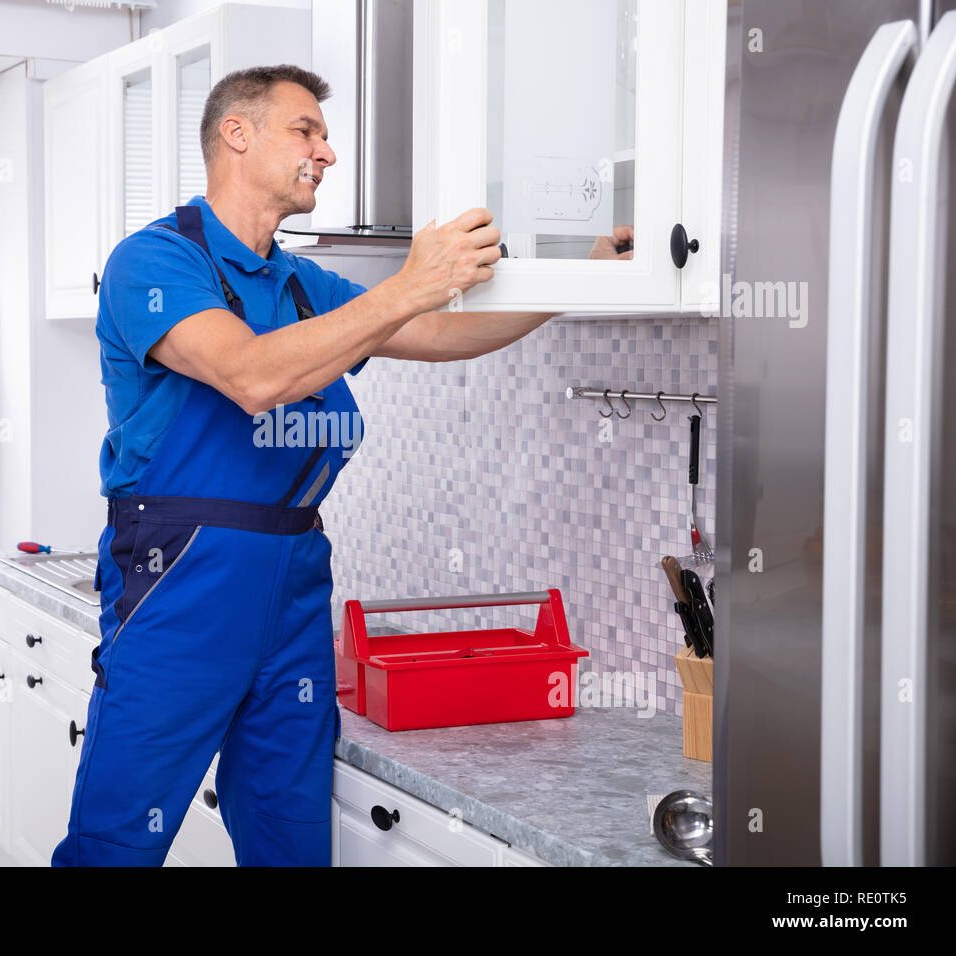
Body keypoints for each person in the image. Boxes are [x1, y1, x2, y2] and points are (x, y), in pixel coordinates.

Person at [51, 64, 632, 867]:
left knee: (289, 840)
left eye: (325, 135)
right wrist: (408, 286)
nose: (327, 151)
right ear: (237, 133)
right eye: (307, 130)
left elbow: (436, 337)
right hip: (180, 579)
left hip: (292, 580)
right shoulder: (153, 264)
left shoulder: (298, 283)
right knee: (116, 842)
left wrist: (581, 278)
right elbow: (252, 376)